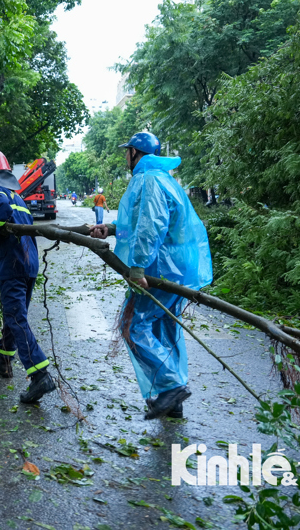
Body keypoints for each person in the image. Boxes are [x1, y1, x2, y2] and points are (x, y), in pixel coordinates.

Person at [89, 132, 212, 419]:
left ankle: (170, 387)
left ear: (135, 152)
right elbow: (139, 221)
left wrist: (138, 268)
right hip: (180, 268)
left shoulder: (148, 179)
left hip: (160, 266)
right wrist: (114, 228)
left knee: (133, 327)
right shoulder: (164, 178)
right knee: (165, 328)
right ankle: (174, 401)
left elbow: (150, 225)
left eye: (127, 152)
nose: (125, 157)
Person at [0, 149, 56, 404]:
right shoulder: (17, 198)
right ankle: (4, 360)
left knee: (15, 316)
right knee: (15, 315)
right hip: (29, 265)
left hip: (13, 265)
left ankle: (40, 374)